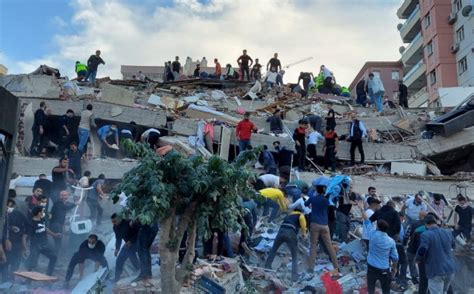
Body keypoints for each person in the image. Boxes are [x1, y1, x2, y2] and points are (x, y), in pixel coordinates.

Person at [358, 202, 399, 294]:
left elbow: (367, 220)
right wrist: (394, 269)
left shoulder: (372, 234)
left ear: (377, 226)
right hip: (384, 269)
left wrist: (361, 209)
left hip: (371, 267)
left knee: (371, 289)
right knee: (386, 290)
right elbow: (395, 258)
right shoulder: (391, 241)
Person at [416, 215, 457, 294]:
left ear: (426, 224)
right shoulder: (448, 232)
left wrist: (418, 259)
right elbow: (453, 246)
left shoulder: (426, 234)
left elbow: (422, 249)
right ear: (435, 222)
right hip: (450, 269)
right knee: (444, 291)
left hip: (436, 270)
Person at [305, 185, 339, 273]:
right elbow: (329, 206)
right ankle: (336, 266)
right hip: (324, 225)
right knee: (329, 246)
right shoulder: (326, 200)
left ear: (316, 190)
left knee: (313, 245)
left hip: (315, 224)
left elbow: (306, 204)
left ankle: (310, 268)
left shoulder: (313, 198)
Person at [265, 208, 307, 281]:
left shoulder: (289, 215)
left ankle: (267, 266)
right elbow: (303, 226)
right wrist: (304, 234)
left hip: (281, 231)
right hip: (290, 232)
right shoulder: (300, 215)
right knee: (294, 255)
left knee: (274, 249)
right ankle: (294, 276)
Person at [25, 206, 59, 276]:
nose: (43, 213)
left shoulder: (41, 220)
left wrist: (54, 234)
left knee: (54, 257)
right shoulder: (31, 223)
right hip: (35, 246)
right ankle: (27, 281)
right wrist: (24, 248)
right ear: (38, 213)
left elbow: (44, 228)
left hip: (44, 245)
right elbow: (25, 236)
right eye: (42, 211)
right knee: (32, 264)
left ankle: (48, 276)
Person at [1, 199, 26, 282]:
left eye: (10, 206)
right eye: (7, 205)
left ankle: (11, 279)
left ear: (14, 207)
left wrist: (22, 235)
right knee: (5, 262)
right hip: (4, 242)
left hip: (17, 242)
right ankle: (4, 280)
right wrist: (6, 239)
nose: (8, 208)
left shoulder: (19, 214)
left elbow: (26, 226)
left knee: (15, 262)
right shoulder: (2, 215)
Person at [112, 214, 139, 282]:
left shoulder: (128, 222)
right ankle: (117, 279)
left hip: (138, 242)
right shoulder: (115, 227)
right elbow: (118, 238)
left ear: (119, 219)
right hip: (129, 245)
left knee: (130, 252)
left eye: (114, 221)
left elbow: (139, 233)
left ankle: (139, 269)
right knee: (119, 260)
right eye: (112, 222)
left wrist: (131, 241)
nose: (114, 223)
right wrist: (117, 248)